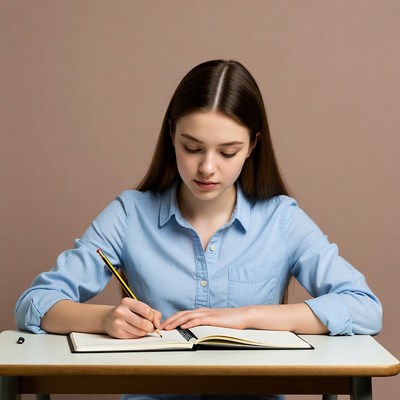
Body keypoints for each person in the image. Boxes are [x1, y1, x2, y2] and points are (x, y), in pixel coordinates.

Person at [15, 60, 382, 400]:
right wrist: (105, 318)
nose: (207, 168)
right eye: (192, 148)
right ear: (172, 135)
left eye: (227, 152)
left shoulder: (280, 219)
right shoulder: (130, 214)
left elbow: (364, 308)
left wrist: (246, 317)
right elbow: (36, 302)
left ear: (253, 145)